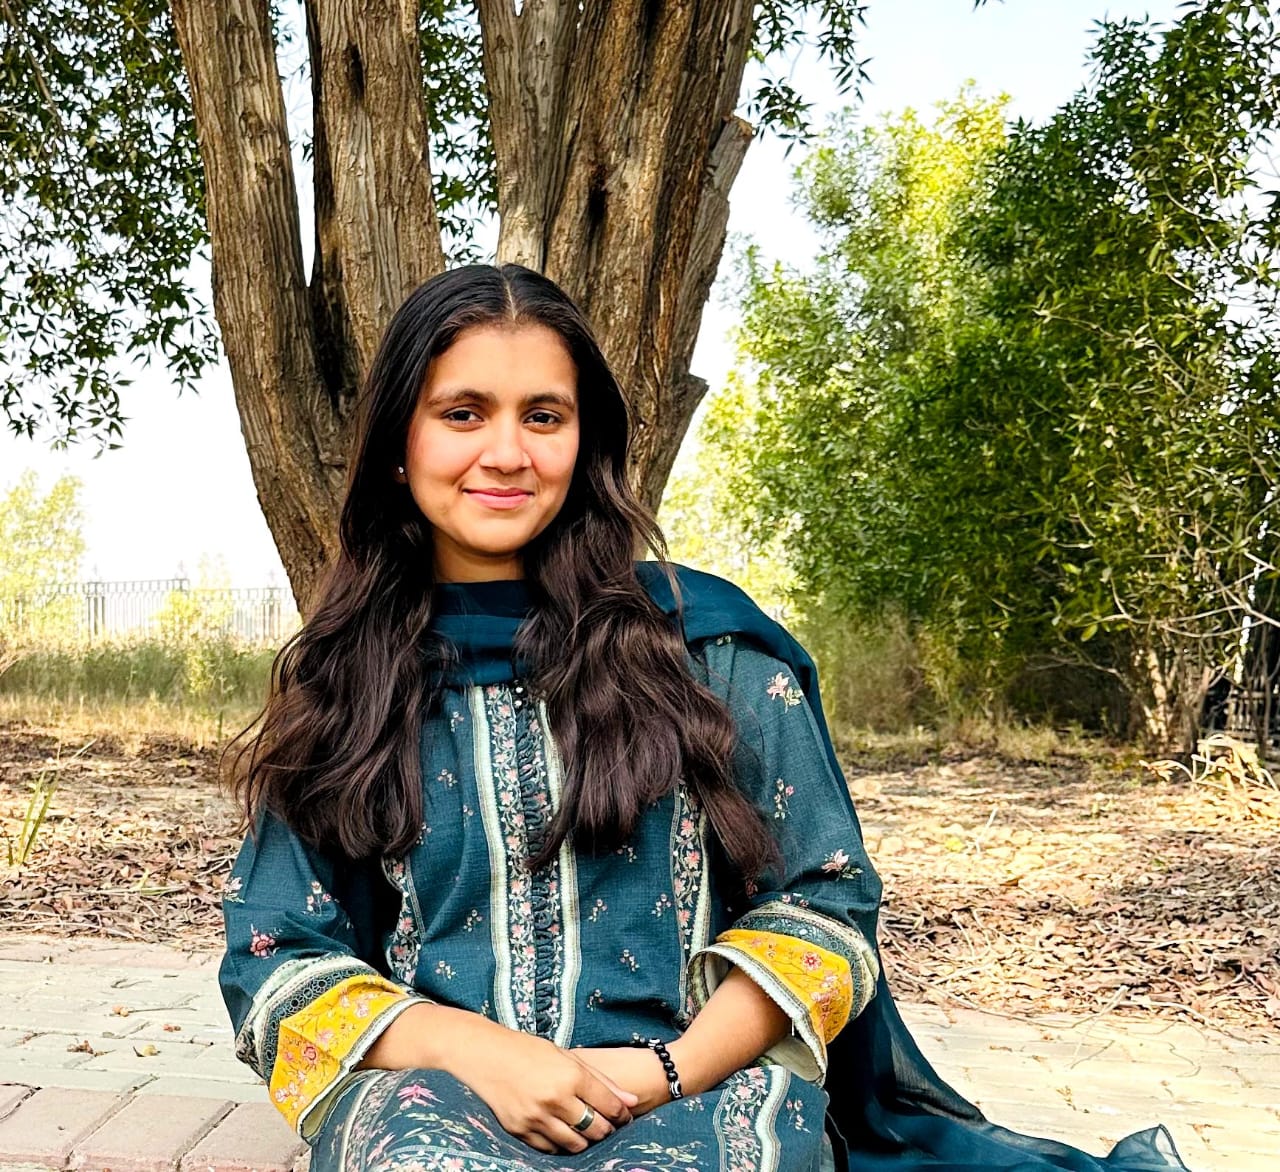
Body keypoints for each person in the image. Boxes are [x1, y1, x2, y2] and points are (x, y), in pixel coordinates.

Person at [219, 264, 1191, 1171]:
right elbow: (275, 954)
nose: (506, 453)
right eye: (462, 412)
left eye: (544, 416)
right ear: (400, 444)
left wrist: (668, 1069)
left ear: (585, 444)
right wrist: (479, 1052)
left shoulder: (702, 650)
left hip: (696, 1088)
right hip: (440, 1099)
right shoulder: (349, 680)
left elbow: (824, 902)